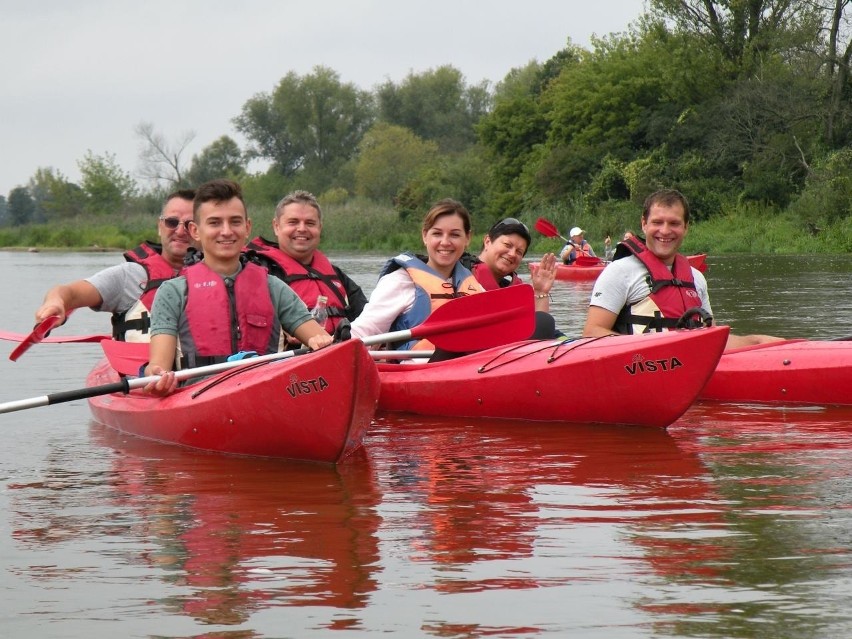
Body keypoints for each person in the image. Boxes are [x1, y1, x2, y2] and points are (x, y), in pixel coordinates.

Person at [143, 179, 333, 396]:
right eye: (214, 223)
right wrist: (157, 377)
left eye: (235, 222)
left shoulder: (273, 287)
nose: (226, 231)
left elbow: (320, 341)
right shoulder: (173, 293)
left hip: (266, 392)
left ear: (247, 228)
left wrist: (320, 342)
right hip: (200, 396)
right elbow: (157, 367)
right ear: (195, 230)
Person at [582, 189, 783, 351]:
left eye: (675, 223)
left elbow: (710, 336)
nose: (665, 231)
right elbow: (592, 332)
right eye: (657, 222)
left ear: (686, 227)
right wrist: (649, 352)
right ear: (644, 224)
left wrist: (755, 343)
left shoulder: (696, 278)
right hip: (642, 367)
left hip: (691, 364)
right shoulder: (619, 272)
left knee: (762, 341)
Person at [34, 189, 197, 342]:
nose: (180, 231)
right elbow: (70, 293)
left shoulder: (218, 277)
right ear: (160, 226)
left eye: (189, 224)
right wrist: (55, 302)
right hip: (142, 370)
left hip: (203, 370)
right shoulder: (129, 276)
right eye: (172, 222)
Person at [350, 198, 484, 356]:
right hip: (416, 372)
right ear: (425, 236)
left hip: (469, 369)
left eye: (454, 235)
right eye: (437, 233)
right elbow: (363, 331)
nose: (445, 242)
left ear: (467, 238)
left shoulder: (475, 287)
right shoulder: (400, 281)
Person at [246, 190, 367, 341]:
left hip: (338, 352)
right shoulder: (258, 270)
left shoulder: (336, 276)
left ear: (320, 228)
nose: (302, 228)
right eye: (293, 222)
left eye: (310, 223)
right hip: (289, 358)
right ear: (276, 226)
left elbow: (369, 317)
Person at [466, 217, 562, 339]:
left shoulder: (512, 288)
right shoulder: (459, 273)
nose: (512, 254)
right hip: (467, 349)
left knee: (546, 323)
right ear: (487, 242)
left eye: (519, 252)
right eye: (507, 245)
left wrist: (541, 291)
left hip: (507, 349)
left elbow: (538, 328)